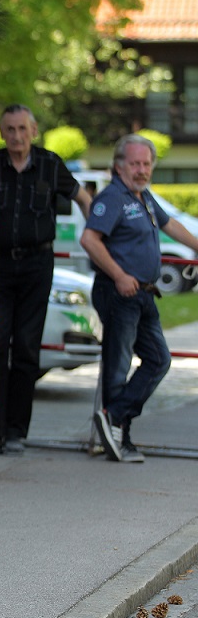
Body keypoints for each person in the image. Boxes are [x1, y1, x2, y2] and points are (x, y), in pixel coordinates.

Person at [0, 104, 92, 457]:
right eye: (10, 129)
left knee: (25, 349)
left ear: (34, 131)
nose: (17, 136)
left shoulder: (50, 164)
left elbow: (84, 199)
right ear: (2, 133)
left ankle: (17, 432)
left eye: (23, 129)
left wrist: (99, 235)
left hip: (37, 265)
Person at [80, 134, 198, 463]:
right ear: (119, 166)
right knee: (117, 368)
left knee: (159, 359)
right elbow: (89, 239)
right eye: (135, 163)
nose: (142, 169)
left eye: (146, 164)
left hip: (143, 293)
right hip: (119, 292)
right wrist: (118, 275)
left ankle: (114, 419)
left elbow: (170, 224)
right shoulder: (113, 197)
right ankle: (118, 435)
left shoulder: (143, 196)